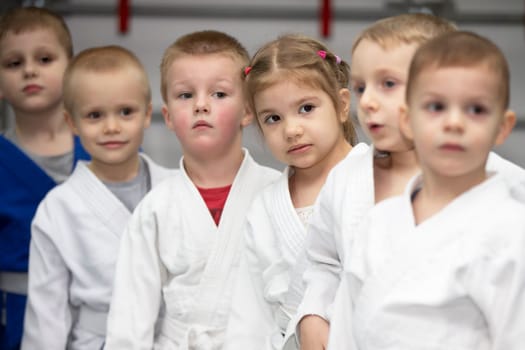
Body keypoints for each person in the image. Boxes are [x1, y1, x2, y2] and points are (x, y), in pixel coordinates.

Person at [345, 30, 525, 350]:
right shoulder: (379, 222)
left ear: (502, 127)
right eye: (436, 106)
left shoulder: (512, 230)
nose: (454, 122)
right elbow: (346, 331)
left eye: (476, 110)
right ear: (407, 120)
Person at [104, 30, 281, 349]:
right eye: (186, 95)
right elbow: (130, 320)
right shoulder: (155, 209)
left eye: (219, 94)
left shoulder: (277, 193)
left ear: (247, 111)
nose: (201, 105)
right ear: (168, 117)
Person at [292, 13, 458, 350]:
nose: (367, 101)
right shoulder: (347, 178)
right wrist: (312, 314)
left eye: (388, 84)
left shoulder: (499, 185)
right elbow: (323, 261)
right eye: (362, 87)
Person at [20, 45, 174, 350]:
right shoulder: (58, 208)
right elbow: (46, 314)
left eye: (126, 112)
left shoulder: (176, 188)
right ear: (72, 123)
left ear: (147, 114)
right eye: (94, 115)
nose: (112, 127)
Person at [223, 34, 357, 350]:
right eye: (273, 118)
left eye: (306, 108)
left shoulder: (377, 176)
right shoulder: (265, 206)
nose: (291, 129)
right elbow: (250, 313)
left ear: (341, 105)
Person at [0, 7, 89, 350]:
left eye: (45, 58)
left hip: (98, 318)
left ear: (72, 69)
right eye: (13, 63)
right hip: (16, 321)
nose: (30, 70)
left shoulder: (109, 154)